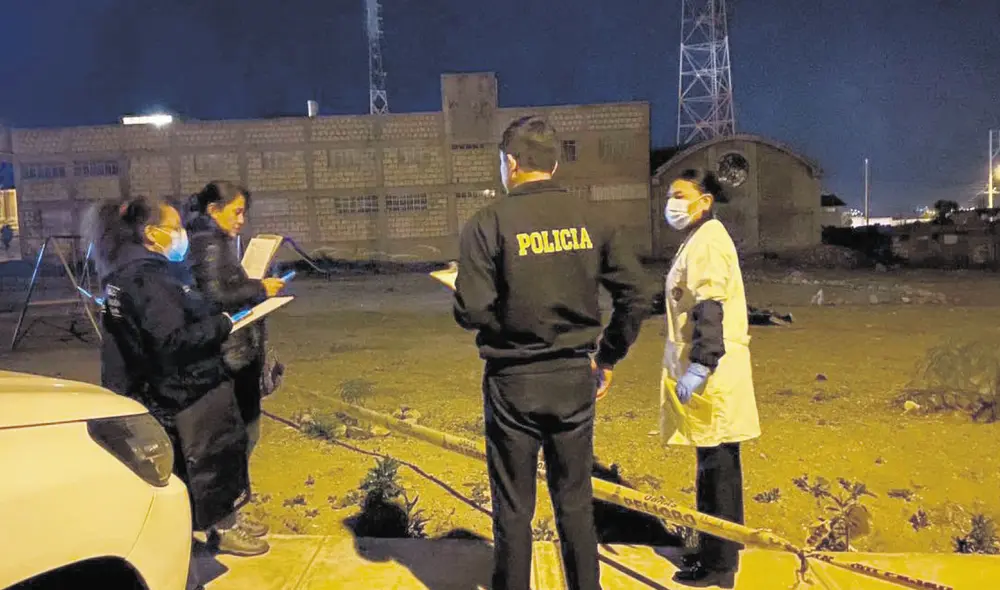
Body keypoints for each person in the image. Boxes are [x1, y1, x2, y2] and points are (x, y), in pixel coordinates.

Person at [453, 115, 652, 590]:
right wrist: (607, 357)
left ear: (511, 163)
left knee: (514, 507)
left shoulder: (487, 223)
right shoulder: (595, 220)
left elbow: (472, 311)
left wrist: (473, 294)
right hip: (573, 379)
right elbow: (638, 296)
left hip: (513, 383)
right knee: (575, 501)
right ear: (556, 163)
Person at [85, 195, 269, 559]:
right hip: (182, 391)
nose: (181, 235)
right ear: (152, 233)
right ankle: (223, 530)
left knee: (208, 460)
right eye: (174, 228)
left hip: (167, 387)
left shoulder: (128, 274)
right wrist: (224, 324)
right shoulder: (147, 280)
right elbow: (172, 341)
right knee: (208, 462)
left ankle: (226, 520)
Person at [656, 169, 761, 588]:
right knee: (719, 466)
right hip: (714, 373)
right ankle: (720, 550)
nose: (672, 202)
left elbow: (710, 306)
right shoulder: (700, 239)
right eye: (670, 195)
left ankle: (718, 566)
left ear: (705, 200)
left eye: (680, 195)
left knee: (715, 470)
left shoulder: (709, 241)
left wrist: (702, 364)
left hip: (711, 376)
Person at [186, 181, 285, 538]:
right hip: (229, 358)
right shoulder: (209, 243)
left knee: (242, 437)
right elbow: (215, 297)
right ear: (214, 209)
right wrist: (259, 288)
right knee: (234, 441)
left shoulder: (212, 241)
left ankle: (227, 515)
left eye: (245, 211)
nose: (242, 219)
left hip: (236, 355)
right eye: (236, 211)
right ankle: (223, 521)